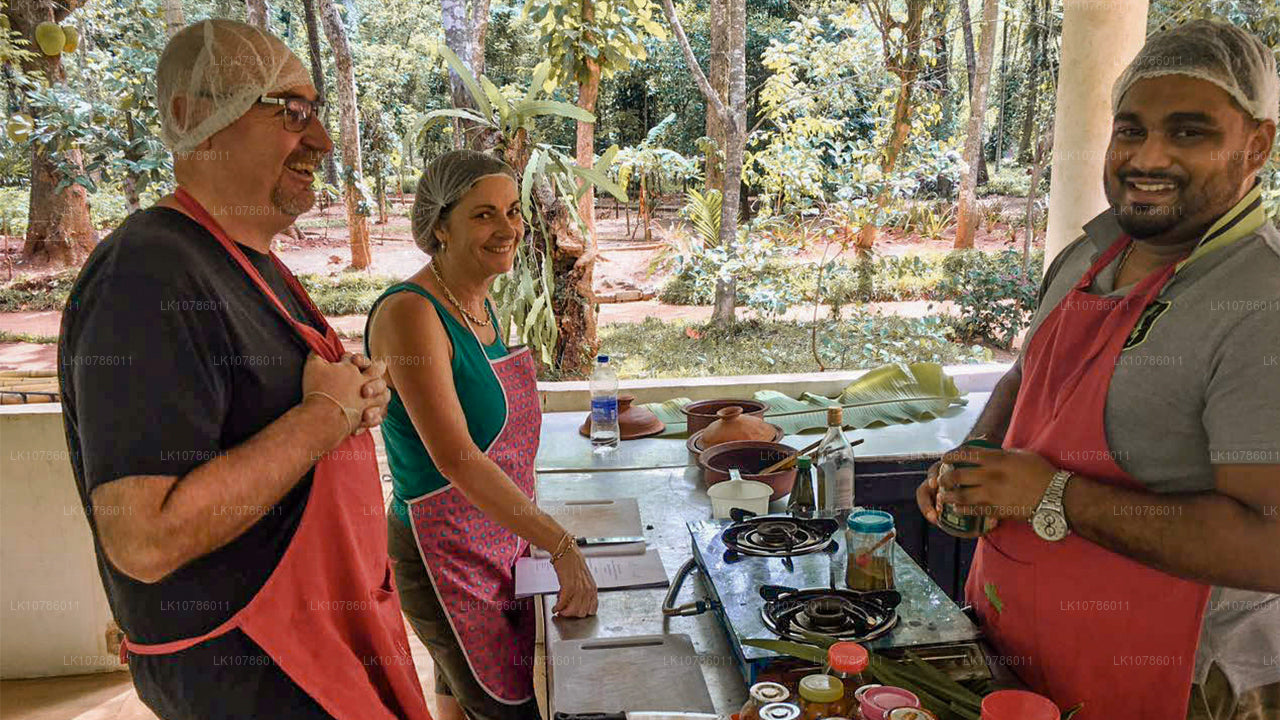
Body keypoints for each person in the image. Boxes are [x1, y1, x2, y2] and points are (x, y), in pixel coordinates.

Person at [58, 19, 430, 720]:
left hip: (320, 642)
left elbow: (269, 411)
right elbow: (144, 538)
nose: (321, 141)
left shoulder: (252, 262)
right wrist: (324, 418)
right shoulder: (150, 272)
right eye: (291, 112)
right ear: (198, 119)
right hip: (253, 672)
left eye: (316, 112)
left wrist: (354, 396)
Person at [916, 20, 1280, 719]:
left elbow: (1268, 544)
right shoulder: (1089, 254)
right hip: (1014, 635)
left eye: (1188, 132)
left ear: (1256, 145)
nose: (1148, 157)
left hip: (1171, 678)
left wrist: (1054, 495)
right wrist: (977, 460)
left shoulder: (1260, 300)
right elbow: (1027, 376)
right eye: (1131, 130)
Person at [364, 149, 599, 720]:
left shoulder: (480, 304)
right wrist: (560, 544)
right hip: (442, 553)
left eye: (513, 211)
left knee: (461, 697)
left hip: (496, 543)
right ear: (440, 226)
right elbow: (458, 459)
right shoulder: (410, 313)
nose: (508, 228)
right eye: (483, 214)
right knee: (506, 709)